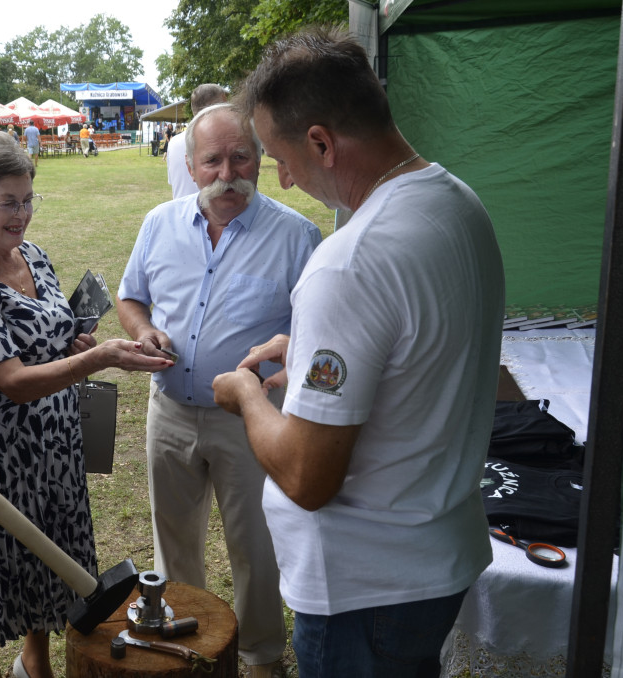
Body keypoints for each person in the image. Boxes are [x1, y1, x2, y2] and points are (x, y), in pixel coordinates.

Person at [211, 26, 506, 678]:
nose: (283, 180)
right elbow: (424, 346)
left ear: (321, 140)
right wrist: (321, 347)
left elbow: (308, 478)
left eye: (280, 157)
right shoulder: (458, 204)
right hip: (430, 556)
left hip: (365, 590)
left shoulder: (349, 263)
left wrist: (247, 396)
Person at [0, 131, 172, 678]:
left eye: (28, 199)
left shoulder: (31, 255)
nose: (22, 216)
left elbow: (49, 333)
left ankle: (34, 660)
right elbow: (12, 382)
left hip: (56, 436)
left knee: (53, 552)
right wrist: (100, 358)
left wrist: (73, 343)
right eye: (8, 203)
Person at [116, 103, 322, 678]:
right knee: (174, 540)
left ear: (260, 162)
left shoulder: (297, 236)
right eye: (212, 160)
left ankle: (260, 658)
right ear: (190, 164)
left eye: (241, 157)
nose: (226, 173)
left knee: (254, 547)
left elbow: (315, 330)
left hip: (250, 421)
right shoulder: (159, 223)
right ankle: (185, 646)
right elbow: (131, 296)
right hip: (170, 410)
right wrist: (142, 329)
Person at [167, 83, 228, 198]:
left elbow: (175, 183)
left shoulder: (174, 143)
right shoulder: (223, 141)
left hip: (181, 213)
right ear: (214, 108)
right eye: (225, 106)